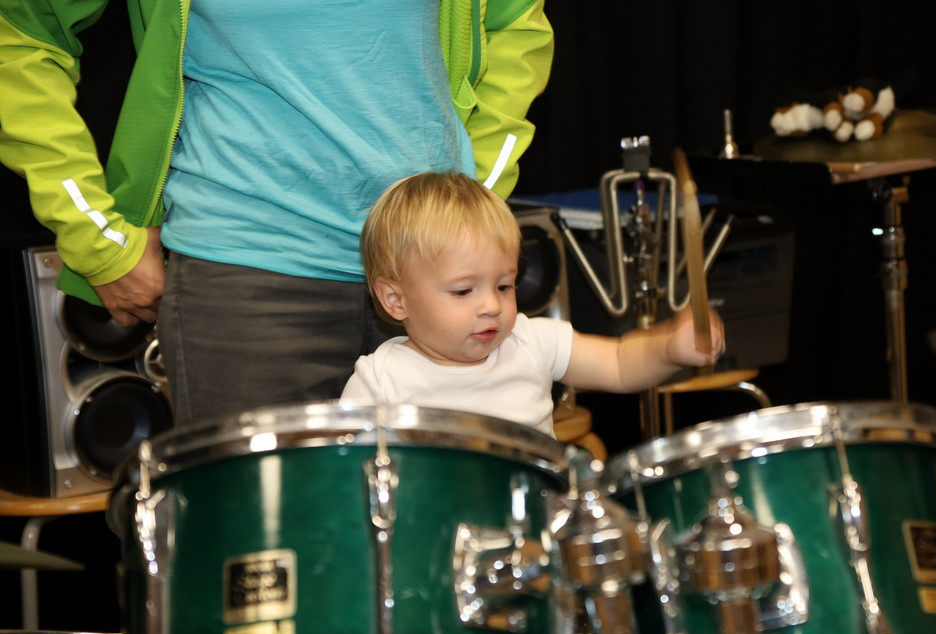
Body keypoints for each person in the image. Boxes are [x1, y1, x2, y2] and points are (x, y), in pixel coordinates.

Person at [0, 0, 553, 425]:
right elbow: (22, 35)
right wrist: (95, 235)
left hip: (444, 273)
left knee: (455, 528)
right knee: (259, 536)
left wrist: (470, 206)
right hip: (249, 278)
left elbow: (516, 25)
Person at [341, 172, 726, 437]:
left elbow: (621, 364)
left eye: (504, 285)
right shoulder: (380, 382)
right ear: (396, 300)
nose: (491, 305)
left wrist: (670, 347)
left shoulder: (531, 341)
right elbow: (344, 477)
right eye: (463, 291)